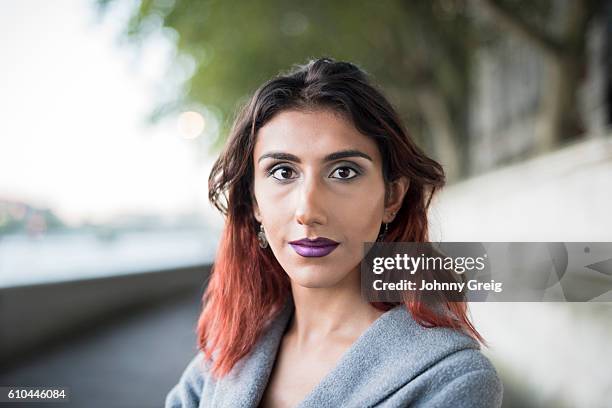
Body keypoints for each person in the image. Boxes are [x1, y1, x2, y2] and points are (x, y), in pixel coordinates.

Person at [165, 58, 503, 408]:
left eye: (344, 172)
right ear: (254, 202)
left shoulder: (451, 380)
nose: (308, 211)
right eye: (282, 172)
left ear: (392, 197)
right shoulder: (224, 358)